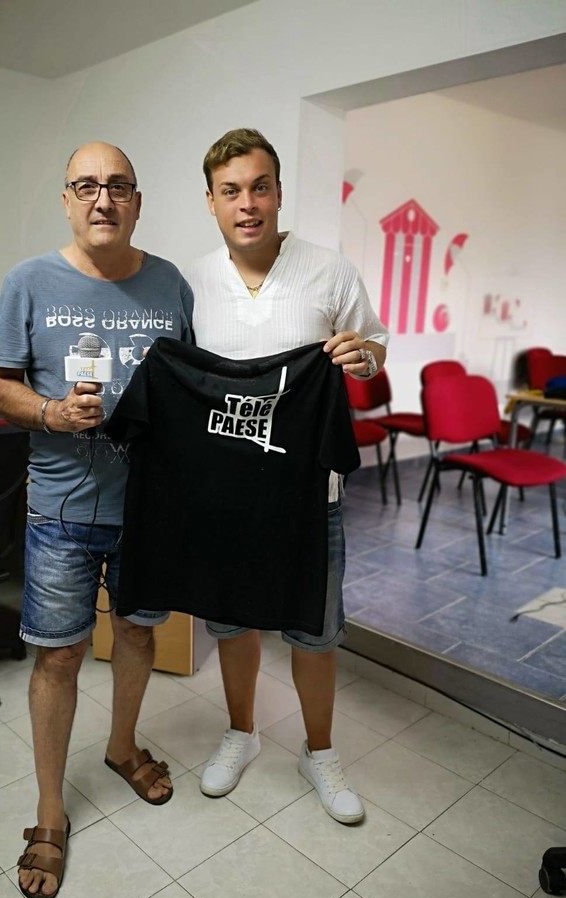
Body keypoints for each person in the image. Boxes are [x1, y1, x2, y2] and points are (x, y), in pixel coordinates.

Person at [0, 141, 193, 898]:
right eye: (87, 186)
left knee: (136, 634)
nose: (103, 199)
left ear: (137, 201)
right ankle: (50, 810)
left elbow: (190, 385)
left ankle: (121, 747)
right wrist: (51, 412)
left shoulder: (170, 284)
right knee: (60, 658)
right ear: (67, 199)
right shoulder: (28, 281)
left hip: (147, 507)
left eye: (118, 186)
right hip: (61, 508)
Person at [185, 128, 388, 824]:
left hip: (310, 494)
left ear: (277, 192)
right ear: (211, 202)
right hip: (227, 493)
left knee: (316, 631)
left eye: (259, 187)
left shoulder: (329, 271)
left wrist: (363, 357)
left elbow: (374, 346)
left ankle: (319, 750)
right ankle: (241, 732)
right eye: (231, 191)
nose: (247, 204)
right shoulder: (193, 283)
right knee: (231, 623)